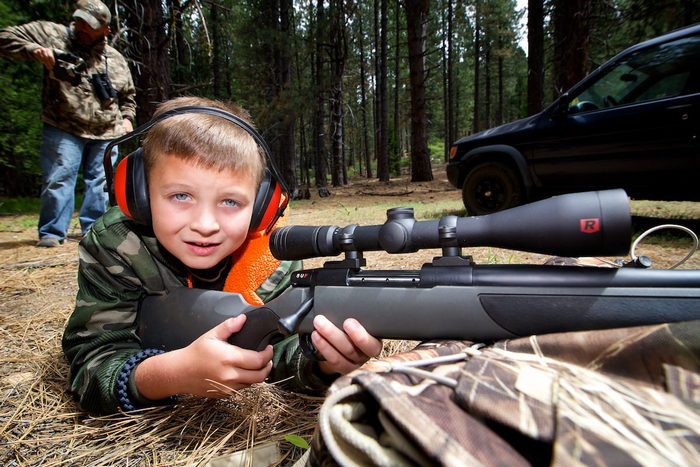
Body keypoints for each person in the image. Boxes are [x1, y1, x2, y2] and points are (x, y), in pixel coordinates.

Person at [61, 96, 383, 414]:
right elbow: (91, 367)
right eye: (181, 195)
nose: (205, 225)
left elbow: (281, 350)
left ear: (261, 207)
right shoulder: (118, 244)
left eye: (230, 202)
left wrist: (324, 362)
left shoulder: (274, 258)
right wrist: (172, 374)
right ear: (139, 195)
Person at [0, 0, 136, 247]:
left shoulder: (114, 58)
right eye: (80, 21)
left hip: (106, 131)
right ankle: (52, 232)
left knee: (100, 183)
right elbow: (4, 37)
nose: (81, 28)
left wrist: (127, 119)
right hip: (63, 125)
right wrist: (33, 50)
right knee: (60, 176)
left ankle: (93, 231)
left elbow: (128, 97)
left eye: (90, 25)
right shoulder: (52, 34)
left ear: (105, 30)